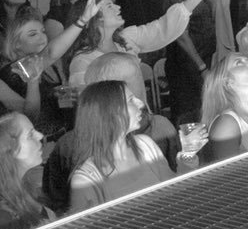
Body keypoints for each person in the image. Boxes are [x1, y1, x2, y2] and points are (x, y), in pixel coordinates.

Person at [64, 80, 169, 212]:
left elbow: (173, 190)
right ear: (109, 112)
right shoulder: (86, 180)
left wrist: (188, 153)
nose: (141, 103)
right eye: (131, 100)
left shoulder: (145, 145)